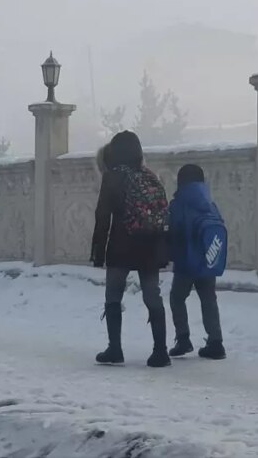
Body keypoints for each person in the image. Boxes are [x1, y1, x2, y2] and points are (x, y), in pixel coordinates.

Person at [90, 130, 171, 368]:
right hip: (150, 245)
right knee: (152, 296)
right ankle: (160, 352)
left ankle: (115, 349)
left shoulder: (113, 177)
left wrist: (98, 252)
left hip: (122, 245)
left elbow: (103, 215)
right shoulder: (149, 175)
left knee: (113, 296)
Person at [167, 163, 227, 360]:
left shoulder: (179, 203)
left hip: (186, 262)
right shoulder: (210, 203)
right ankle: (216, 342)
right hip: (208, 260)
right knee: (209, 299)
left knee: (177, 298)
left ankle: (183, 339)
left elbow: (174, 232)